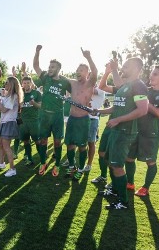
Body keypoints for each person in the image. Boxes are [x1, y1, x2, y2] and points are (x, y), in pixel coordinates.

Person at [95, 56, 149, 210]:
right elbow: (116, 107)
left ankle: (123, 201)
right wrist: (100, 111)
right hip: (116, 130)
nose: (122, 68)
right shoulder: (125, 86)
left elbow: (143, 110)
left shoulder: (139, 86)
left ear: (137, 69)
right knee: (111, 162)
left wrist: (118, 120)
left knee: (117, 166)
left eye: (126, 66)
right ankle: (116, 190)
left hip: (125, 131)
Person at [125, 65, 159, 197]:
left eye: (155, 74)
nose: (151, 76)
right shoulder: (145, 91)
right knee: (129, 158)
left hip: (151, 133)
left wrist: (145, 103)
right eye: (152, 73)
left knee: (150, 161)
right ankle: (130, 183)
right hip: (135, 129)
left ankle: (145, 188)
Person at [32, 44, 72, 176]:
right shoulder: (45, 78)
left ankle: (57, 164)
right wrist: (37, 52)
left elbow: (75, 93)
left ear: (59, 69)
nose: (49, 69)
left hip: (57, 116)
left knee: (57, 141)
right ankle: (43, 162)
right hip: (44, 114)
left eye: (52, 67)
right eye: (49, 66)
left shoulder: (65, 82)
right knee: (43, 140)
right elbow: (36, 66)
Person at [63, 48, 99, 181]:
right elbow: (60, 78)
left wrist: (88, 57)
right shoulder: (72, 83)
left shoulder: (90, 83)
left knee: (82, 146)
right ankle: (71, 166)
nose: (78, 72)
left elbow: (95, 72)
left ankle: (81, 168)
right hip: (72, 119)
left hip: (83, 120)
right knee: (70, 145)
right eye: (77, 70)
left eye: (81, 70)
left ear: (87, 73)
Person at [0, 76, 23, 177]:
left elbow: (3, 110)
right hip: (4, 122)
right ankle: (1, 163)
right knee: (0, 143)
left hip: (9, 123)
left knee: (6, 146)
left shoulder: (14, 96)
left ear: (12, 84)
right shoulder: (8, 96)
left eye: (7, 82)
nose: (5, 84)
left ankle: (12, 169)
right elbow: (2, 103)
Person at [15, 64, 42, 166]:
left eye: (28, 82)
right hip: (23, 122)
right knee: (26, 141)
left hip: (34, 121)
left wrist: (34, 103)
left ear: (31, 84)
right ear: (22, 84)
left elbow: (40, 106)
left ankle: (42, 158)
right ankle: (30, 159)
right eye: (24, 82)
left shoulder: (37, 93)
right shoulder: (20, 94)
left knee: (37, 141)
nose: (26, 84)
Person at [85, 85, 110, 172]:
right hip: (82, 117)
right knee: (80, 143)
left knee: (91, 143)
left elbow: (91, 90)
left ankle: (89, 164)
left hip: (93, 119)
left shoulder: (100, 90)